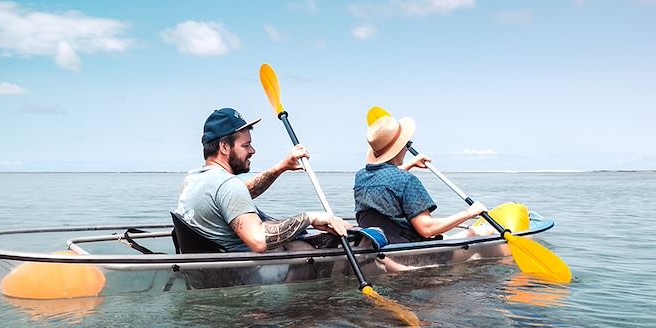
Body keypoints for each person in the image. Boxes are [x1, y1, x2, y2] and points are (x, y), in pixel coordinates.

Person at [176, 107, 352, 253]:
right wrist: (311, 217)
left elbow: (238, 195)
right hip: (249, 275)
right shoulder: (228, 186)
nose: (252, 150)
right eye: (245, 145)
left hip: (212, 273)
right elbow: (258, 240)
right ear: (224, 146)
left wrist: (280, 167)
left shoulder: (193, 180)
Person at [354, 115, 487, 244]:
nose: (408, 149)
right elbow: (427, 229)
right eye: (408, 144)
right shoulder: (406, 180)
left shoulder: (361, 176)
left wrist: (410, 164)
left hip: (381, 244)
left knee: (445, 235)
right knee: (478, 233)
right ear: (401, 147)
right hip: (408, 251)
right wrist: (470, 212)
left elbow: (385, 181)